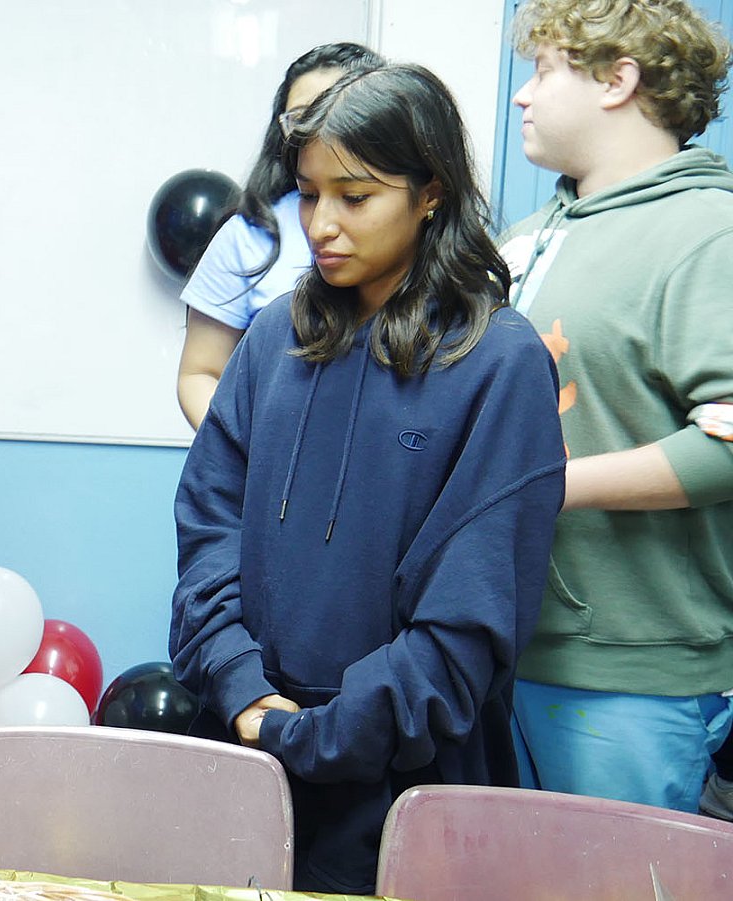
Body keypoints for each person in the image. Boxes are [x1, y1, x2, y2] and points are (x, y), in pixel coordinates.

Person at [168, 65, 566, 894]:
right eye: (310, 194)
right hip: (244, 751)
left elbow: (471, 616)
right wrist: (242, 689)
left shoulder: (499, 361)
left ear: (431, 193)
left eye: (355, 197)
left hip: (405, 779)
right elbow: (207, 530)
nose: (322, 224)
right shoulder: (272, 335)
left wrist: (325, 732)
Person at [497, 0, 733, 814]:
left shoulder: (709, 233)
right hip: (501, 647)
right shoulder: (526, 236)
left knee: (617, 876)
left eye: (543, 71)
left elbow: (729, 441)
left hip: (632, 676)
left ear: (617, 80)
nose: (523, 94)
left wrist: (542, 486)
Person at [175, 42, 384, 428]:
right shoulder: (249, 233)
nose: (321, 228)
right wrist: (247, 450)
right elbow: (200, 372)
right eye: (302, 117)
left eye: (334, 111)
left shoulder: (408, 222)